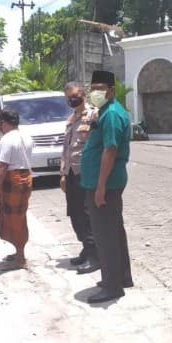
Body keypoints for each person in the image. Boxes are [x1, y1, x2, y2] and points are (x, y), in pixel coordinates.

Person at [81, 70, 134, 304]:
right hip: (106, 182)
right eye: (93, 88)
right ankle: (121, 277)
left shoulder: (111, 114)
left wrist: (100, 187)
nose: (95, 92)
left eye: (100, 88)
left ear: (111, 90)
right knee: (114, 231)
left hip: (105, 184)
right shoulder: (106, 111)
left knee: (105, 236)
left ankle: (112, 287)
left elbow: (110, 150)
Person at [60, 81, 99, 275]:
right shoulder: (71, 118)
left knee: (87, 214)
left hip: (86, 174)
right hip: (71, 175)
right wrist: (63, 174)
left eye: (74, 96)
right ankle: (86, 247)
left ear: (82, 93)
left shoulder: (93, 115)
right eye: (68, 98)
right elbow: (66, 149)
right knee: (75, 214)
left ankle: (94, 255)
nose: (71, 100)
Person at [0, 108, 34, 269]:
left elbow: (2, 168)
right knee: (20, 215)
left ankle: (20, 257)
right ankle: (19, 251)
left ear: (3, 123)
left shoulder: (7, 139)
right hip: (26, 178)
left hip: (13, 179)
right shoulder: (26, 137)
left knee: (12, 218)